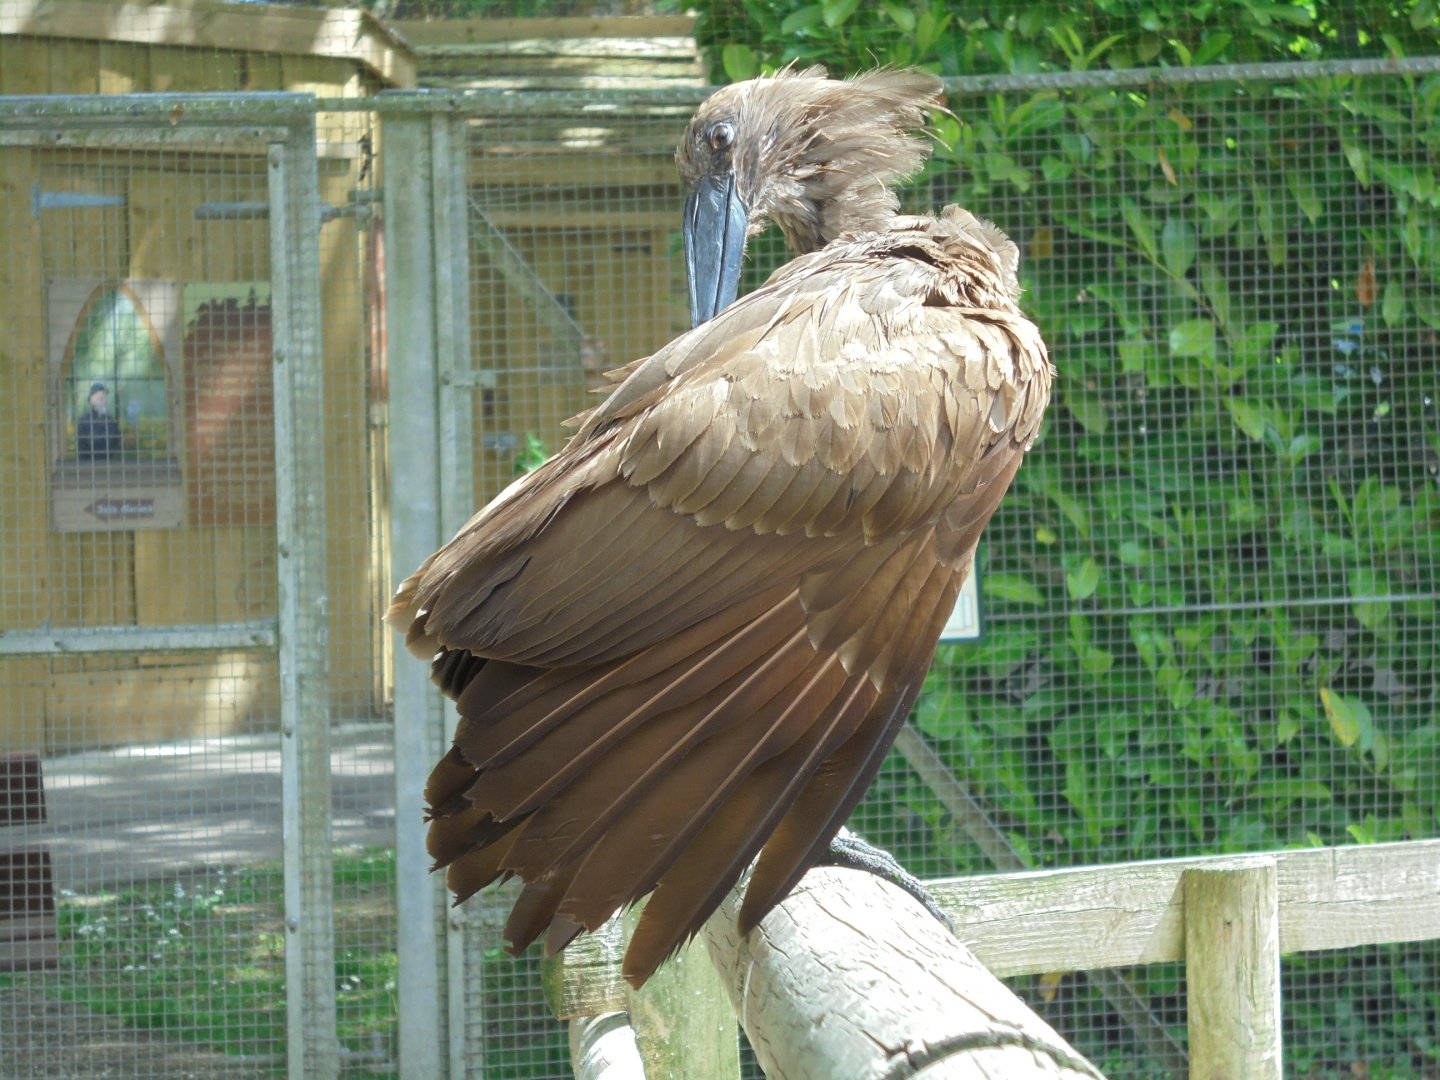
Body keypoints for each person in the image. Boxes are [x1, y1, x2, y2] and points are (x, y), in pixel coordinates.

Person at [76, 381, 122, 461]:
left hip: (109, 463)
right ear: (91, 400)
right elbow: (82, 448)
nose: (104, 401)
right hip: (89, 464)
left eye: (104, 398)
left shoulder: (111, 421)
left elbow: (116, 444)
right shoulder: (83, 421)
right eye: (100, 398)